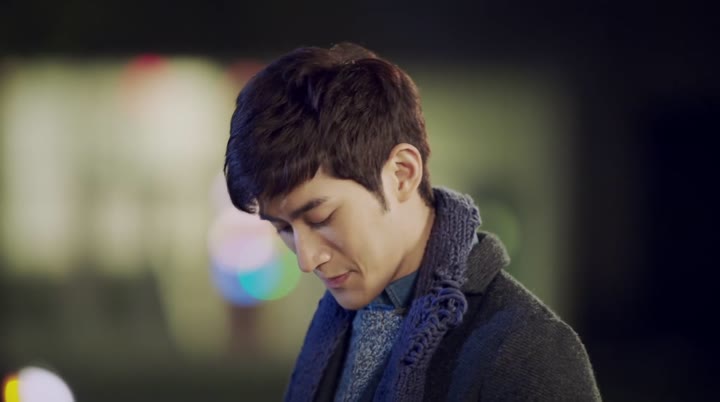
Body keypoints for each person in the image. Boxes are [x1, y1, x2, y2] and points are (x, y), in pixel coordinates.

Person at [224, 42, 601, 402]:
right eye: (284, 228)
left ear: (402, 173)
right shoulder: (339, 324)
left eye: (321, 218)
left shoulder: (528, 352)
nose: (307, 260)